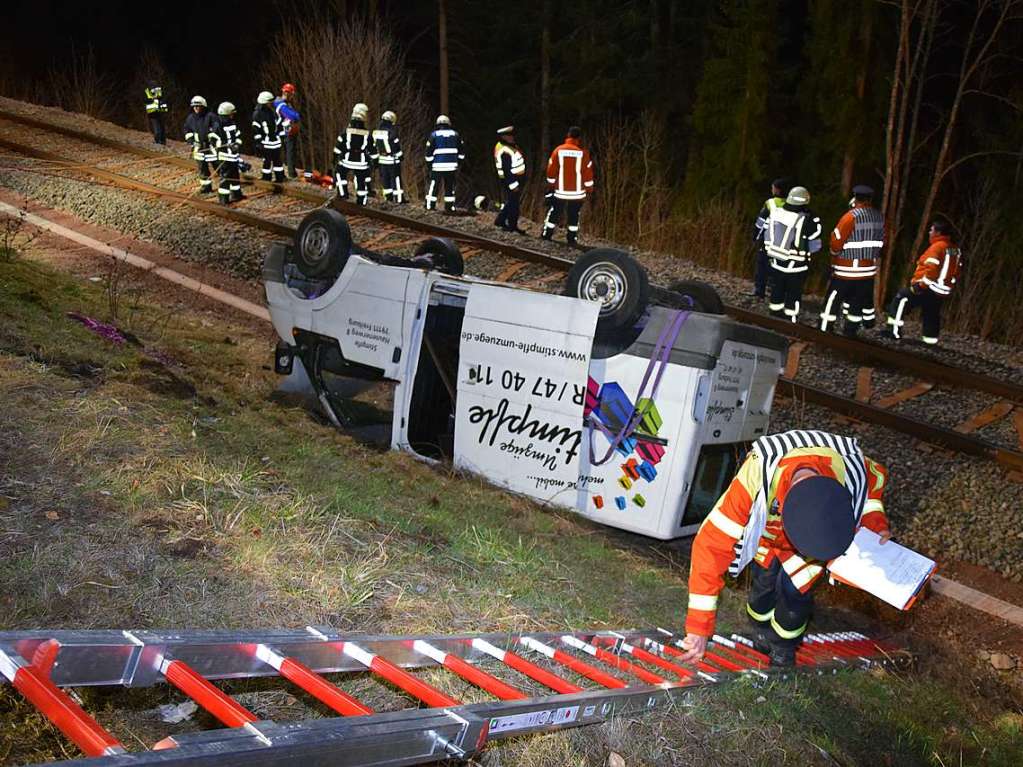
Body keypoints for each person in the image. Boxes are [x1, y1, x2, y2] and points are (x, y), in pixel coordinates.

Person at [678, 429, 891, 666]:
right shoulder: (759, 470)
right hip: (768, 539)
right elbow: (710, 545)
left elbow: (869, 500)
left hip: (812, 551)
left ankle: (783, 644)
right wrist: (699, 625)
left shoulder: (855, 470)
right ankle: (759, 627)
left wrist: (876, 525)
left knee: (795, 594)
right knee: (763, 588)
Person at [883, 219, 963, 345]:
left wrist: (921, 285)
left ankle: (893, 331)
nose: (929, 232)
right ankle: (930, 341)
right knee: (931, 313)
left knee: (902, 298)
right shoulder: (954, 250)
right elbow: (957, 270)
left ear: (938, 233)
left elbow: (932, 269)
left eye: (931, 230)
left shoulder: (937, 247)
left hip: (930, 287)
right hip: (943, 290)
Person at [820, 185, 885, 336]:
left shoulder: (850, 217)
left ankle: (824, 328)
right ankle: (850, 332)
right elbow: (883, 241)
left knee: (833, 299)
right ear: (870, 199)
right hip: (867, 272)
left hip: (846, 270)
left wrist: (834, 255)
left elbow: (836, 241)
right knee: (857, 303)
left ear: (855, 197)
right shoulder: (879, 217)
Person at [763, 186, 821, 322]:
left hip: (776, 260)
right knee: (793, 293)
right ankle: (791, 319)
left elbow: (766, 232)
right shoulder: (807, 219)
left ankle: (774, 315)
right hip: (797, 265)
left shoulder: (776, 213)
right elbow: (815, 243)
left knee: (777, 290)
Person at [542, 126, 594, 245]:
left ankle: (547, 234)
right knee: (574, 216)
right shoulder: (583, 154)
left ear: (568, 136)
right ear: (579, 138)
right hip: (577, 193)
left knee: (554, 212)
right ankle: (571, 239)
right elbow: (588, 173)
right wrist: (589, 189)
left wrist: (551, 184)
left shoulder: (558, 150)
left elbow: (551, 170)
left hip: (560, 191)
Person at [751, 179, 789, 299]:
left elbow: (760, 222)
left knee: (762, 265)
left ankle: (759, 291)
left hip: (767, 240)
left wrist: (755, 236)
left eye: (773, 187)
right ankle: (776, 293)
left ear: (777, 190)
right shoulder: (790, 205)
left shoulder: (770, 203)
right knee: (778, 268)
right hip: (783, 242)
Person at [424, 115, 465, 211]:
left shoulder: (434, 135)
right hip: (451, 167)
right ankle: (449, 207)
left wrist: (429, 165)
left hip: (437, 166)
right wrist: (458, 163)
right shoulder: (456, 135)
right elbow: (461, 152)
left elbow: (428, 152)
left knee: (434, 186)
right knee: (450, 187)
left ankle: (430, 205)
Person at [335, 103, 373, 206]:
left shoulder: (346, 131)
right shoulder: (367, 133)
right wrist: (374, 162)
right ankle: (361, 201)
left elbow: (339, 146)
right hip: (361, 163)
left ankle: (343, 194)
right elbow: (372, 149)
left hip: (347, 160)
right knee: (361, 181)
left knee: (339, 173)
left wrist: (334, 158)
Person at [493, 126, 527, 234]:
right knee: (514, 205)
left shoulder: (507, 146)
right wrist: (513, 185)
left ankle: (500, 220)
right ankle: (512, 226)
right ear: (504, 137)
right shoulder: (505, 150)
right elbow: (506, 170)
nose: (512, 137)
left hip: (514, 178)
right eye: (510, 136)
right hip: (511, 180)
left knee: (511, 202)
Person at [209, 102, 244, 205]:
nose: (233, 115)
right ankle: (223, 199)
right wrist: (227, 145)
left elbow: (238, 136)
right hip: (224, 157)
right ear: (226, 113)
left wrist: (237, 144)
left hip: (233, 156)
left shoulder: (232, 124)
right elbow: (214, 141)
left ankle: (237, 194)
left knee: (235, 176)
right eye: (231, 113)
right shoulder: (217, 125)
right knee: (226, 178)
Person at [182, 95, 218, 195]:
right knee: (203, 169)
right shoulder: (190, 118)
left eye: (198, 106)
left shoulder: (211, 116)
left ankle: (225, 185)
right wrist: (191, 141)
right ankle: (206, 187)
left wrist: (213, 139)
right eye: (194, 106)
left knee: (218, 167)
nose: (196, 108)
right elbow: (187, 130)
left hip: (211, 148)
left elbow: (217, 129)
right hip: (198, 148)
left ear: (203, 106)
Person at [372, 110, 405, 203]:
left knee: (385, 180)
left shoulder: (376, 132)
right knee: (396, 179)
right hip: (392, 160)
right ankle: (399, 199)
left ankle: (388, 199)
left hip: (382, 160)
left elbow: (374, 146)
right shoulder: (392, 132)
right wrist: (401, 156)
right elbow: (396, 146)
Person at [252, 91, 285, 183]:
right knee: (267, 161)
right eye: (269, 102)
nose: (271, 103)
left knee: (277, 161)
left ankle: (279, 177)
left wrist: (282, 136)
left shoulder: (273, 112)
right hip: (266, 142)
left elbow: (279, 125)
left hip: (275, 141)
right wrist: (259, 142)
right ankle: (267, 177)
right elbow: (256, 129)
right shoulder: (257, 114)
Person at [273, 83, 301, 179]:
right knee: (289, 152)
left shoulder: (284, 104)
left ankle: (291, 171)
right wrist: (295, 115)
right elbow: (293, 116)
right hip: (283, 132)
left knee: (291, 152)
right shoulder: (280, 104)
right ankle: (291, 173)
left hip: (287, 131)